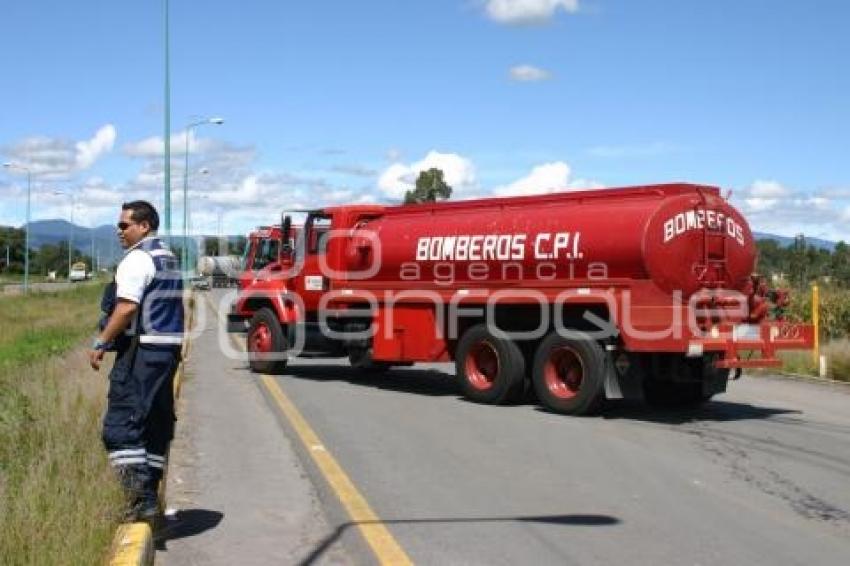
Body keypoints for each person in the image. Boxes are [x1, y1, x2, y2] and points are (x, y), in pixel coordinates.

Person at [89, 200, 184, 524]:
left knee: (119, 427)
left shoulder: (138, 259)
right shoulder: (167, 257)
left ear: (144, 226)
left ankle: (139, 501)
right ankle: (150, 496)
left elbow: (127, 308)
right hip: (166, 351)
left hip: (142, 351)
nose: (119, 231)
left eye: (124, 225)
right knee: (155, 426)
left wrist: (101, 342)